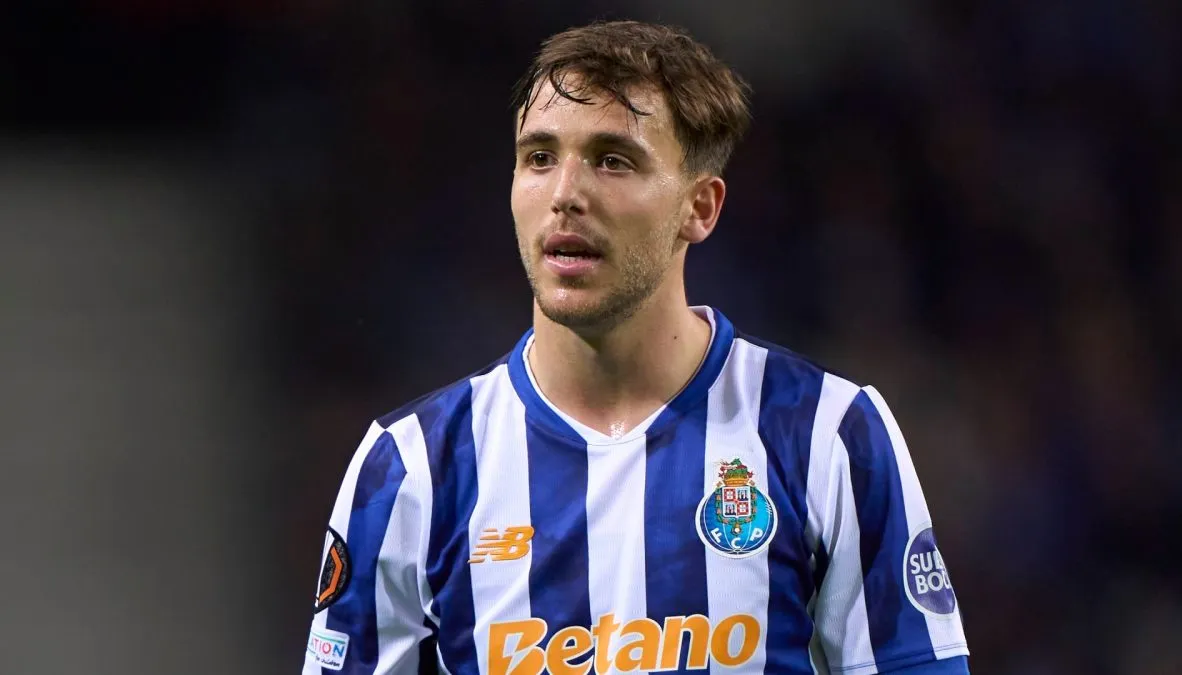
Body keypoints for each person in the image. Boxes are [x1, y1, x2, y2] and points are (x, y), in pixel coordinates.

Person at [303, 19, 970, 675]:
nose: (564, 194)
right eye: (539, 157)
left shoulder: (828, 434)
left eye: (612, 160)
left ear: (699, 208)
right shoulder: (410, 468)